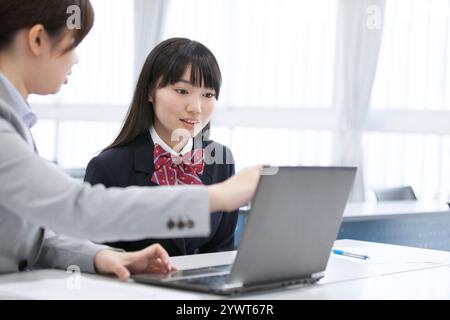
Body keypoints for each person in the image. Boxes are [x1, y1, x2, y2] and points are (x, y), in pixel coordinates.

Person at [0, 0, 261, 279]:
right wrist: (218, 196)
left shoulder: (16, 120)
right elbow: (78, 208)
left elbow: (39, 238)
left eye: (208, 94)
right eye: (73, 44)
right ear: (38, 39)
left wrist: (103, 257)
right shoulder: (108, 163)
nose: (76, 59)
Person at [85, 38, 238, 256]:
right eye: (182, 91)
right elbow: (94, 257)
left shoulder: (221, 160)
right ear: (150, 92)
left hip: (201, 289)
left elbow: (221, 252)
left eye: (208, 95)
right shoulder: (108, 167)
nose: (196, 108)